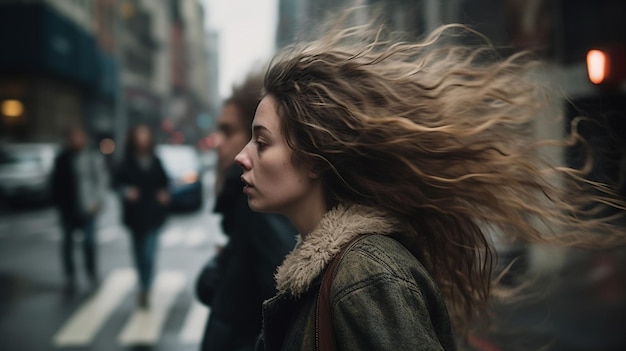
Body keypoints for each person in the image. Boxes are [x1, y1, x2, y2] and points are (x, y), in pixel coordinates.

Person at [233, 21, 626, 350]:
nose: (242, 156)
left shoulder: (363, 274)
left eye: (262, 142)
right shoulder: (331, 269)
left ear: (315, 156)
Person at [196, 73, 297, 351]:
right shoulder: (246, 203)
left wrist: (216, 274)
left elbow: (284, 306)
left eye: (228, 132)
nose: (217, 142)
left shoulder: (258, 206)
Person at [115, 124, 169, 308]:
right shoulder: (128, 161)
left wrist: (163, 193)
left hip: (153, 215)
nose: (142, 139)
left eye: (145, 135)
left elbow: (164, 182)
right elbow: (117, 182)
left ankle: (146, 288)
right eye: (139, 135)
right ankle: (142, 284)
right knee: (138, 255)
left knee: (148, 254)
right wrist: (126, 191)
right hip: (135, 216)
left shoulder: (156, 160)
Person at [51, 126, 108, 291]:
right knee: (67, 243)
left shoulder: (91, 157)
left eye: (80, 137)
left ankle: (91, 272)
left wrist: (98, 203)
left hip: (88, 207)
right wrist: (59, 204)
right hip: (68, 208)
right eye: (74, 137)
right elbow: (56, 183)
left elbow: (101, 180)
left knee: (89, 242)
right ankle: (70, 275)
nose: (77, 140)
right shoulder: (62, 158)